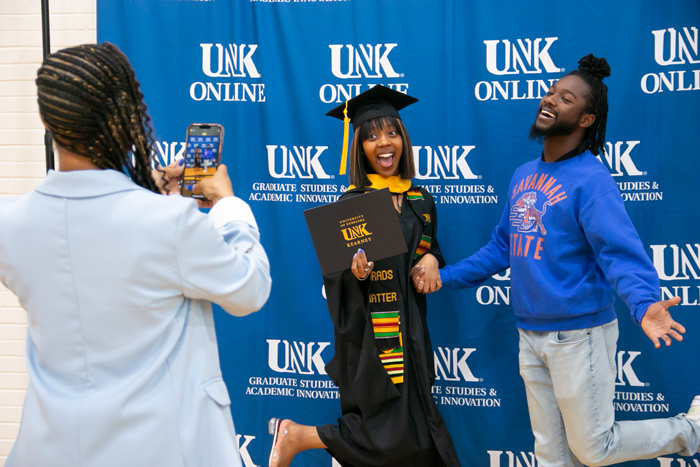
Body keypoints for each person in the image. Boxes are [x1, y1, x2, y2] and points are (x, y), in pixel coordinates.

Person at [0, 43, 272, 467]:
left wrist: (148, 195)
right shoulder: (169, 223)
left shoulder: (10, 222)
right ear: (127, 119)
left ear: (45, 120)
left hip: (50, 451)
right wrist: (228, 206)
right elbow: (250, 289)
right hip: (159, 449)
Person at [423, 54, 700, 466]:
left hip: (579, 336)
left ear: (586, 119)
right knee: (552, 455)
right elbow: (503, 246)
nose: (550, 99)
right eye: (551, 91)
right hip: (530, 335)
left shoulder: (591, 180)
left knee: (593, 447)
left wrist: (643, 304)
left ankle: (692, 430)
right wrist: (445, 277)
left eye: (565, 98)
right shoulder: (523, 175)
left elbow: (619, 252)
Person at [268, 85, 460, 467]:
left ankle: (298, 435)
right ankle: (300, 435)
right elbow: (336, 279)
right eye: (371, 136)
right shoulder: (352, 205)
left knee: (420, 433)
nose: (383, 143)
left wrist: (434, 262)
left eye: (391, 133)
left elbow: (429, 250)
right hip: (372, 335)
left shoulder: (421, 200)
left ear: (403, 139)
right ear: (359, 148)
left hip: (414, 331)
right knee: (387, 434)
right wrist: (357, 273)